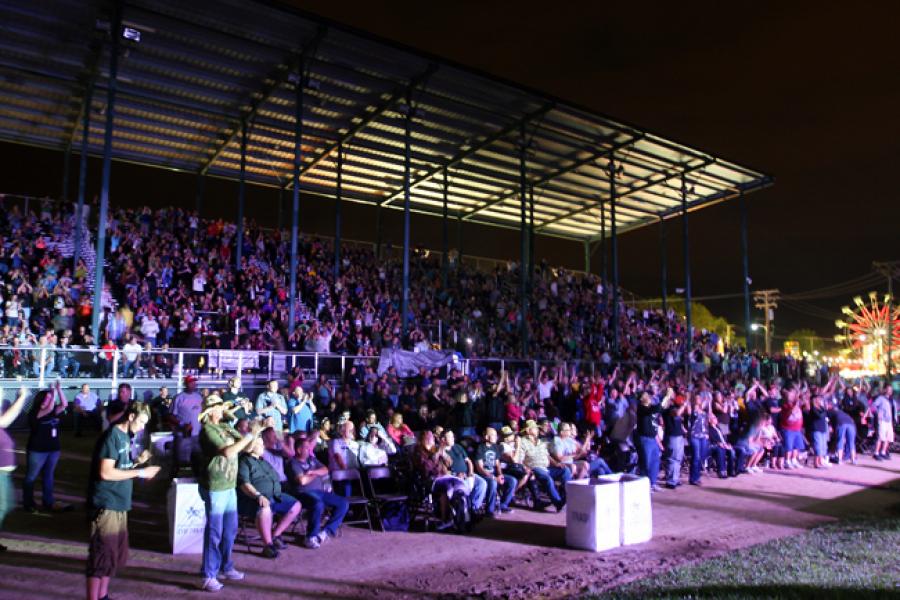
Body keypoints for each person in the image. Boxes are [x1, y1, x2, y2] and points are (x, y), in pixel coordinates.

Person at [85, 401, 161, 600]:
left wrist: (137, 462)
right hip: (106, 503)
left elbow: (121, 467)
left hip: (119, 503)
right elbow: (106, 472)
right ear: (131, 416)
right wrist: (141, 472)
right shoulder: (113, 436)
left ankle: (103, 595)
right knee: (101, 555)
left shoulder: (126, 436)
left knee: (113, 554)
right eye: (141, 422)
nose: (142, 427)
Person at [197, 395, 261, 592]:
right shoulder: (208, 430)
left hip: (229, 485)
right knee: (214, 531)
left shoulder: (226, 426)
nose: (221, 409)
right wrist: (250, 435)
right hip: (215, 486)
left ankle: (225, 566)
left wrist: (256, 432)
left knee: (229, 530)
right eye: (218, 407)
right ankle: (208, 574)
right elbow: (227, 452)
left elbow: (246, 447)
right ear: (210, 412)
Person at [237, 436, 302, 559]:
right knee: (265, 508)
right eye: (260, 444)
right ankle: (268, 545)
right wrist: (258, 495)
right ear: (251, 446)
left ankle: (275, 535)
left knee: (296, 505)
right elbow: (244, 484)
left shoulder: (263, 462)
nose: (263, 446)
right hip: (253, 498)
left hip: (275, 495)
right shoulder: (244, 462)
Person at [287, 435, 349, 549]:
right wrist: (316, 473)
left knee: (343, 503)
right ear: (299, 450)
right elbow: (302, 481)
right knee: (317, 503)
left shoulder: (312, 459)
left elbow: (325, 469)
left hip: (320, 492)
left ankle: (325, 532)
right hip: (303, 493)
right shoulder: (293, 463)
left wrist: (312, 472)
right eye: (306, 448)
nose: (309, 449)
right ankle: (310, 537)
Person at [23, 381, 71, 513]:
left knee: (48, 476)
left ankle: (48, 502)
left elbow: (64, 404)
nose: (50, 400)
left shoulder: (53, 411)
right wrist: (53, 392)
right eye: (48, 398)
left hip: (53, 449)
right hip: (37, 450)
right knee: (31, 477)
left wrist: (59, 389)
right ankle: (28, 503)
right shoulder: (35, 413)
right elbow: (48, 409)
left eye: (51, 398)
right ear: (40, 400)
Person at [518, 419, 569, 511]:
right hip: (535, 468)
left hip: (546, 468)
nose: (537, 430)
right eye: (535, 428)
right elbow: (520, 460)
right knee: (547, 479)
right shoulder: (522, 442)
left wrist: (556, 464)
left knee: (565, 471)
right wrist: (526, 468)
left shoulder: (540, 442)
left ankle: (566, 496)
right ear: (528, 430)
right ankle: (558, 502)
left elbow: (547, 455)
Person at [0, 387, 28, 552]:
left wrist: (19, 399)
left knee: (5, 506)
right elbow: (5, 420)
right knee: (2, 507)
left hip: (4, 473)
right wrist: (22, 398)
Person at [440, 429, 487, 513]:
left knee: (482, 483)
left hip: (467, 474)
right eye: (450, 437)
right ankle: (466, 510)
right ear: (443, 439)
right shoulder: (441, 452)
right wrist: (456, 475)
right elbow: (443, 469)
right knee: (463, 488)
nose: (453, 438)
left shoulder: (458, 447)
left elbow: (469, 461)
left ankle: (473, 508)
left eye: (453, 436)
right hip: (455, 476)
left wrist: (471, 473)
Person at [475, 427, 516, 516]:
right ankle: (490, 510)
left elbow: (497, 464)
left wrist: (500, 475)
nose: (496, 437)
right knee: (493, 483)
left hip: (494, 474)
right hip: (483, 475)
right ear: (486, 437)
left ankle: (503, 505)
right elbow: (480, 468)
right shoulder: (480, 448)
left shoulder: (495, 447)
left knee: (512, 480)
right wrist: (494, 477)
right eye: (493, 435)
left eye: (496, 435)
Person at [171, 376, 203, 469]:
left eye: (194, 382)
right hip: (183, 436)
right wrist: (182, 424)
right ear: (186, 384)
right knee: (182, 463)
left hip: (197, 435)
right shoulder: (179, 398)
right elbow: (170, 416)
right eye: (191, 382)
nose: (193, 384)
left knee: (197, 461)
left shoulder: (199, 397)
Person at [328, 421, 359, 497]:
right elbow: (337, 457)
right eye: (350, 429)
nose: (353, 431)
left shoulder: (355, 444)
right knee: (346, 482)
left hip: (353, 473)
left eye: (353, 429)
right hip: (339, 473)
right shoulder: (335, 442)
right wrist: (347, 471)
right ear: (342, 431)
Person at [868, 388, 895, 461]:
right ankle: (876, 453)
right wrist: (877, 413)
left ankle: (883, 452)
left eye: (891, 390)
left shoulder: (891, 400)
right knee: (881, 437)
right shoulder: (881, 398)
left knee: (888, 438)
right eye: (888, 389)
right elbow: (873, 405)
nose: (890, 391)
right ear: (885, 390)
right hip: (882, 420)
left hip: (889, 421)